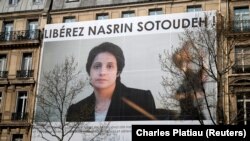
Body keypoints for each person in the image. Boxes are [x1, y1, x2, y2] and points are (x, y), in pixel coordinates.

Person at [66, 42, 157, 122]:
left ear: (118, 72)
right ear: (89, 71)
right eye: (97, 66)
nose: (102, 72)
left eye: (109, 66)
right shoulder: (76, 110)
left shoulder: (142, 100)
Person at [172, 41, 207, 120]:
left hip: (194, 115)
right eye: (184, 53)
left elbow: (201, 75)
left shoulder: (191, 73)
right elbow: (177, 95)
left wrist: (203, 60)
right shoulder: (184, 73)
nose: (188, 54)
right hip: (188, 116)